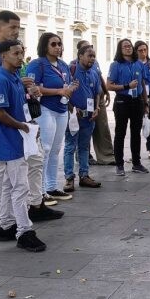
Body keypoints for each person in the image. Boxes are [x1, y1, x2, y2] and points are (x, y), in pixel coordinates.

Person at [0, 11, 62, 226]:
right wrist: (12, 87)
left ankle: (35, 203)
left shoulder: (17, 51)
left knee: (34, 161)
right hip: (0, 117)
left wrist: (29, 89)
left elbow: (18, 82)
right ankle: (2, 213)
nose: (16, 31)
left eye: (18, 28)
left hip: (24, 116)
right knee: (3, 170)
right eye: (12, 27)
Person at [0, 40, 46, 252]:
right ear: (4, 56)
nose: (20, 57)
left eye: (22, 52)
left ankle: (6, 225)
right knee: (20, 186)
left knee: (7, 185)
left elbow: (19, 106)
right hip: (9, 140)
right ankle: (24, 230)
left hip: (14, 139)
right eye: (16, 53)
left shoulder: (14, 78)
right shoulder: (1, 80)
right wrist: (23, 126)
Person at [25, 33, 75, 203]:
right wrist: (59, 91)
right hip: (45, 109)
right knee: (45, 149)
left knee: (55, 149)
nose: (57, 47)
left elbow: (67, 83)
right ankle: (38, 192)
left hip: (62, 109)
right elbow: (33, 87)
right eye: (53, 44)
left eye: (59, 44)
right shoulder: (37, 64)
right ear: (44, 46)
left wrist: (69, 90)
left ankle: (51, 186)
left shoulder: (63, 65)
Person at [106, 38, 149, 176]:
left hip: (137, 101)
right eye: (125, 46)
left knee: (136, 133)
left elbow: (142, 83)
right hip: (122, 101)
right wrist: (126, 86)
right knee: (120, 133)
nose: (128, 48)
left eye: (130, 46)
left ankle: (136, 163)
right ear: (120, 49)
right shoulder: (116, 65)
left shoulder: (138, 64)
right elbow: (109, 85)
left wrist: (146, 102)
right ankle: (119, 164)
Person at [64, 45, 103, 190]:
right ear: (80, 56)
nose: (92, 59)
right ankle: (69, 178)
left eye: (94, 56)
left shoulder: (93, 72)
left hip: (89, 117)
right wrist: (71, 108)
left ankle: (84, 175)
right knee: (70, 146)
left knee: (85, 147)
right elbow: (64, 91)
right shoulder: (71, 70)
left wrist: (97, 108)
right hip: (74, 117)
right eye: (89, 55)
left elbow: (97, 93)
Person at [136, 41, 150, 160]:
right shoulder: (134, 64)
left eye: (145, 50)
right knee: (136, 124)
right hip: (138, 95)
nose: (143, 52)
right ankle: (136, 153)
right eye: (140, 50)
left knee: (149, 123)